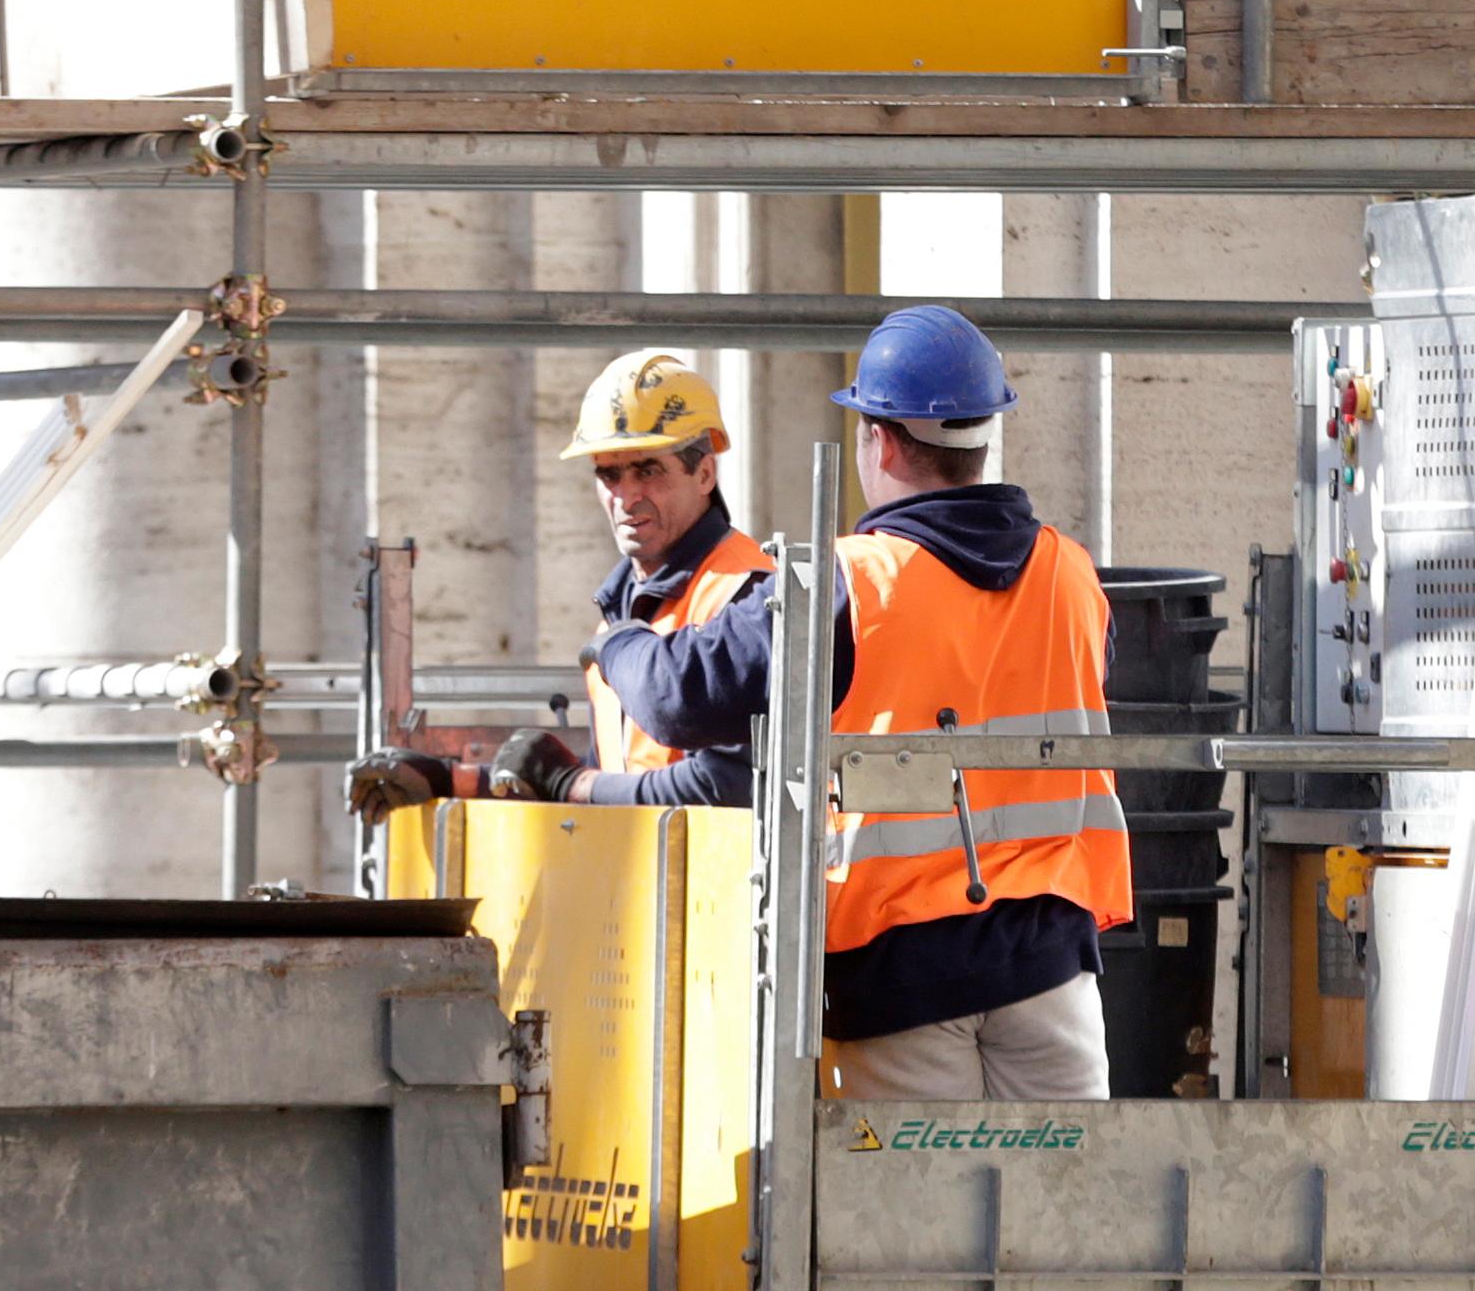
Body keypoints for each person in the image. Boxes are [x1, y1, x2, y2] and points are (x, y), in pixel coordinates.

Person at [589, 305, 1133, 1100]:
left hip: (900, 978)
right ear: (982, 436)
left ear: (878, 441)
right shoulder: (1071, 572)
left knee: (915, 1186)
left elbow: (677, 696)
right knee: (1062, 1180)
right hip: (1051, 968)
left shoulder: (849, 581)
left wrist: (617, 640)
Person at [344, 350, 773, 821]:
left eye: (648, 470)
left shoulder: (748, 595)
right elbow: (611, 782)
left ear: (705, 473)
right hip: (651, 866)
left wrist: (572, 784)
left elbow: (730, 786)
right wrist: (454, 780)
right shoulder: (620, 615)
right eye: (609, 474)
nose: (626, 496)